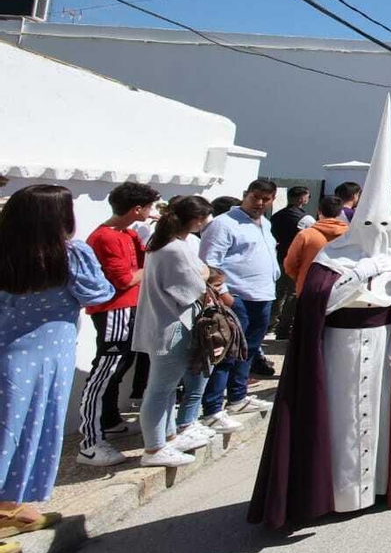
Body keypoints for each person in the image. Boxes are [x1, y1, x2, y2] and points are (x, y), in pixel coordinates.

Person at [249, 96, 391, 529]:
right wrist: (358, 274)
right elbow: (318, 303)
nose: (378, 236)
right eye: (370, 226)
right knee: (339, 424)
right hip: (339, 349)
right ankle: (332, 492)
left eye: (385, 227)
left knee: (379, 418)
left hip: (386, 347)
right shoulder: (333, 259)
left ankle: (382, 484)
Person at [0, 185, 115, 537]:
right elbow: (99, 293)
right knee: (33, 425)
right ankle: (9, 505)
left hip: (8, 348)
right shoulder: (70, 254)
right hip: (48, 355)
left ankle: (9, 507)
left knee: (8, 428)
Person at [77, 180, 161, 467]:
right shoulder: (106, 237)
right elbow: (125, 279)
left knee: (120, 367)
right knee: (106, 371)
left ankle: (110, 420)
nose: (151, 212)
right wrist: (150, 267)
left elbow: (145, 257)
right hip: (115, 310)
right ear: (137, 209)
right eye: (148, 207)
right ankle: (89, 442)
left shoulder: (126, 234)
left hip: (129, 308)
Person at [131, 196, 218, 466]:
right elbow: (195, 286)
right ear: (196, 219)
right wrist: (204, 273)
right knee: (160, 389)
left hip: (161, 324)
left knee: (166, 389)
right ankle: (154, 448)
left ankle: (166, 438)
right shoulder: (175, 250)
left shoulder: (161, 244)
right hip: (171, 327)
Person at [197, 179, 278, 433]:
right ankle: (212, 409)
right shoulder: (224, 224)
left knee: (249, 349)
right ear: (245, 195)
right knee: (227, 353)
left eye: (266, 199)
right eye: (256, 197)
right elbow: (209, 263)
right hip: (237, 296)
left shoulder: (265, 223)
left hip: (262, 296)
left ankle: (238, 397)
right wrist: (223, 294)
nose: (260, 203)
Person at [269, 186, 310, 339]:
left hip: (280, 258)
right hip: (296, 261)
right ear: (301, 199)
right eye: (307, 196)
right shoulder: (304, 218)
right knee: (292, 294)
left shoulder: (277, 216)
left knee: (278, 293)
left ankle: (270, 324)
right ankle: (283, 328)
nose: (307, 199)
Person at [284, 196, 348, 293]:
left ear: (319, 211)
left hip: (309, 287)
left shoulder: (305, 235)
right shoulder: (349, 235)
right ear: (339, 213)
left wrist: (302, 276)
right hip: (340, 289)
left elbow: (290, 264)